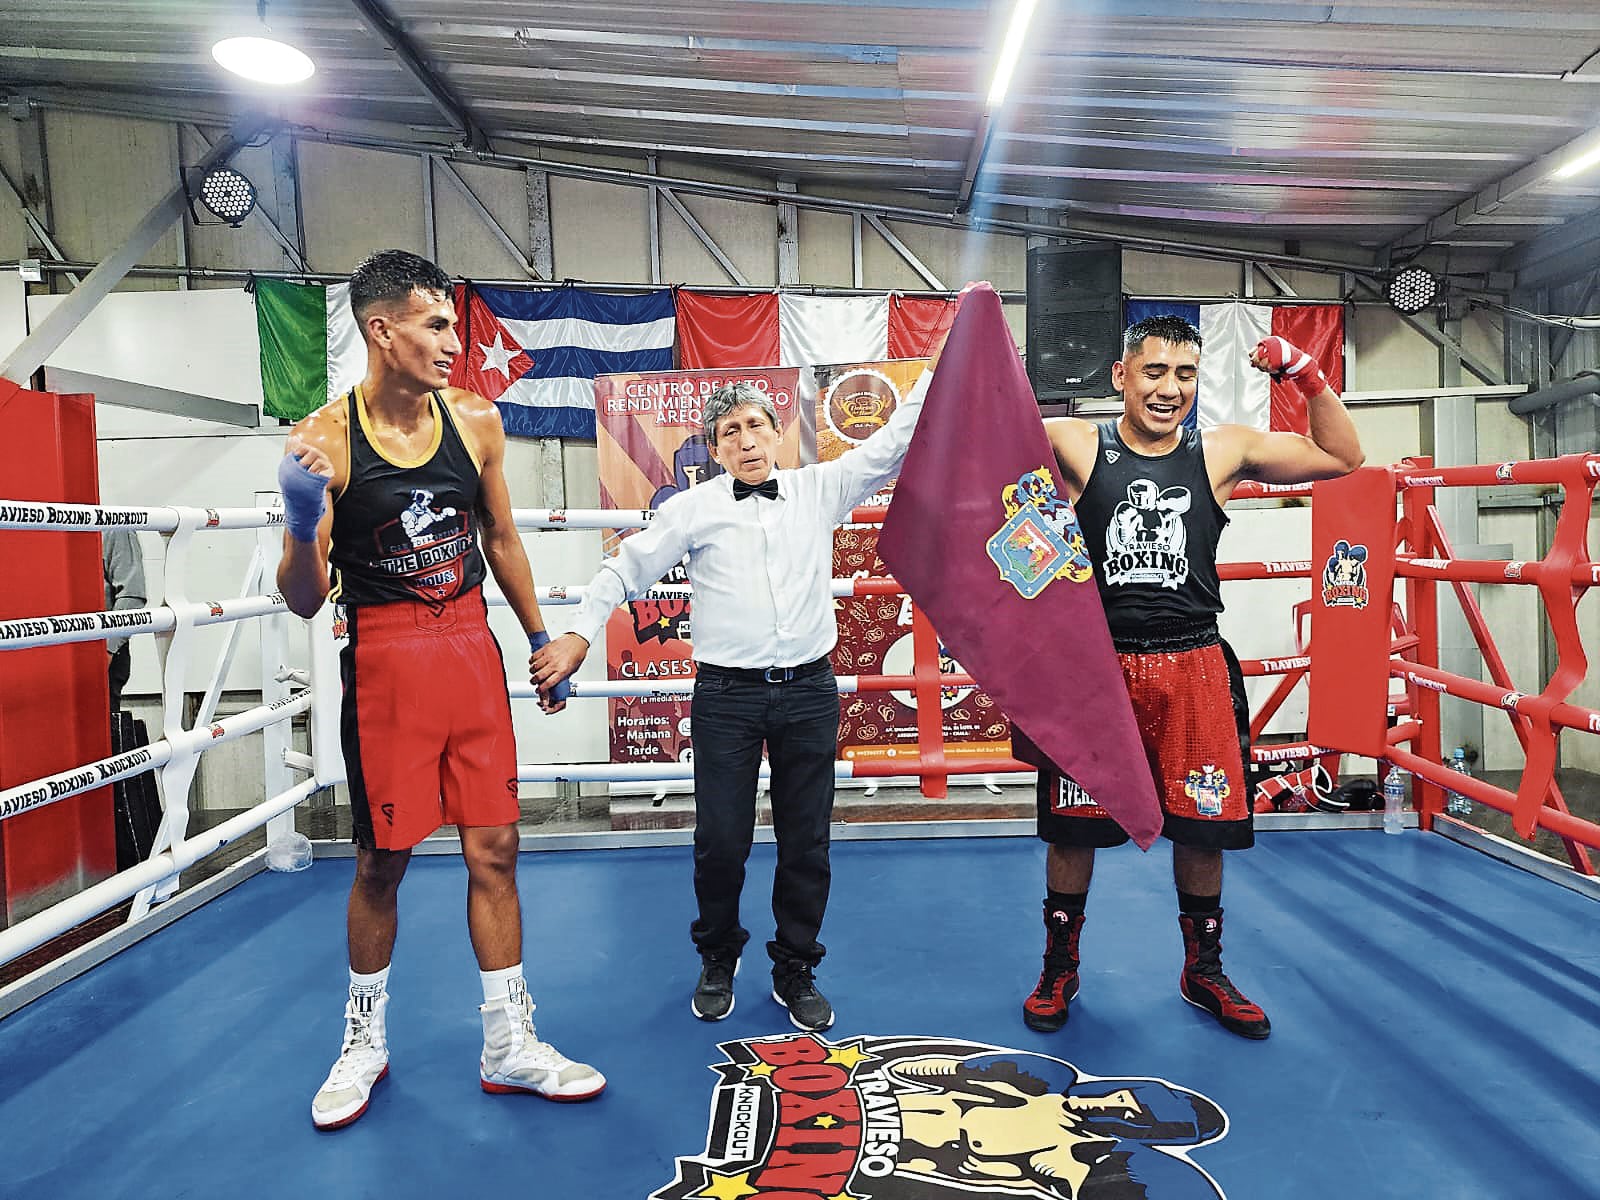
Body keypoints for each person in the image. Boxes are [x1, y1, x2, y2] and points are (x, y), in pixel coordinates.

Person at [274, 249, 604, 1131]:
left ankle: (511, 1043)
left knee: (496, 850)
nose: (455, 340)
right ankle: (362, 1042)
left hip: (470, 651)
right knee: (384, 861)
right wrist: (304, 523)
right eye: (436, 324)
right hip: (384, 658)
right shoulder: (327, 440)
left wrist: (540, 639)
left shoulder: (476, 420)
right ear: (382, 330)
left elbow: (500, 538)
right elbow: (305, 596)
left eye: (453, 323)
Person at [532, 375, 927, 1031]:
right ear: (715, 448)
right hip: (727, 698)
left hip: (807, 691)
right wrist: (576, 633)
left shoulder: (818, 488)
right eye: (729, 432)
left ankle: (795, 968)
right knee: (720, 842)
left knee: (807, 843)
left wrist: (945, 362)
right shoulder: (694, 508)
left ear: (778, 431)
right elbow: (622, 568)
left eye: (754, 425)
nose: (745, 441)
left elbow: (890, 446)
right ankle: (718, 957)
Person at [1025, 315, 1363, 1040]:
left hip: (1194, 663)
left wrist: (1304, 373)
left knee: (1205, 827)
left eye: (1184, 375)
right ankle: (1059, 966)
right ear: (1122, 376)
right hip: (1099, 670)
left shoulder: (1222, 450)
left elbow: (1342, 456)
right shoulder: (1076, 441)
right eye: (1153, 373)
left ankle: (1202, 970)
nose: (1169, 389)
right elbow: (974, 437)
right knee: (1075, 829)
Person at [102, 528, 147, 710]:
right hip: (61, 653)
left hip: (104, 651)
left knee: (100, 730)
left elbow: (132, 597)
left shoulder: (114, 530)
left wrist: (107, 650)